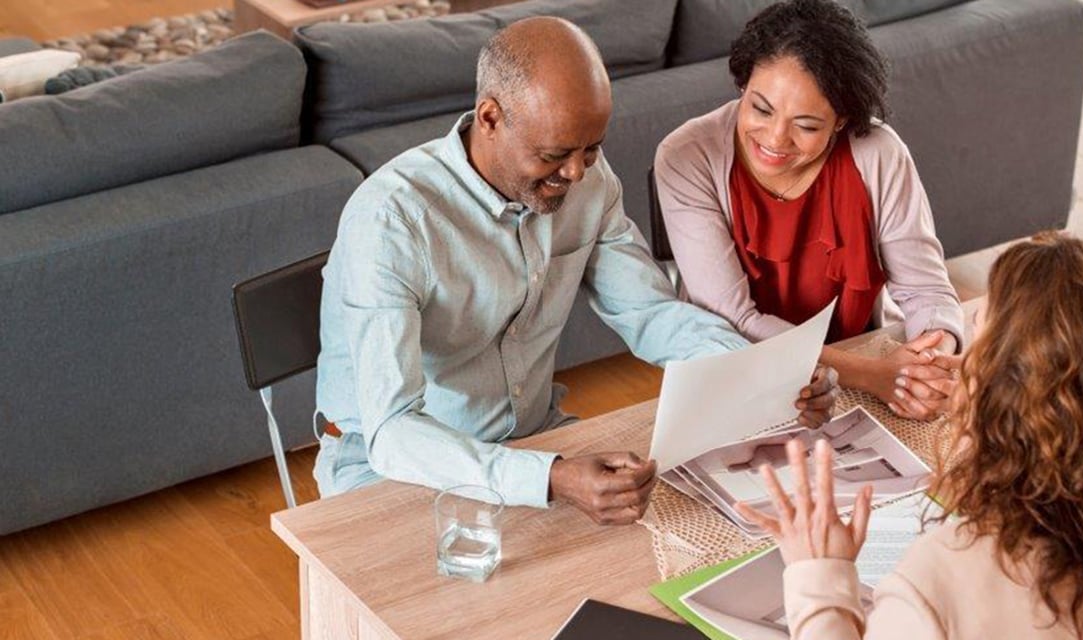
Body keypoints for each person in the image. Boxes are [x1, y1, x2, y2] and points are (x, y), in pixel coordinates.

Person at [311, 17, 839, 526]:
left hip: (536, 440)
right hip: (389, 470)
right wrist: (551, 479)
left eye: (592, 149)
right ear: (490, 117)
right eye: (554, 154)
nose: (575, 173)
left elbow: (649, 311)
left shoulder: (585, 178)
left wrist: (764, 372)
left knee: (684, 537)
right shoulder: (391, 221)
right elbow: (393, 430)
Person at [737, 232, 1083, 639]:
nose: (959, 366)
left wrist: (819, 576)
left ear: (1005, 396)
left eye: (979, 349)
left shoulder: (941, 576)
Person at [654, 0, 962, 421]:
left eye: (807, 125)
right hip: (741, 367)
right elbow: (735, 319)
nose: (775, 139)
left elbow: (926, 288)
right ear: (743, 83)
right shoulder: (687, 155)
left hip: (868, 355)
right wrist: (875, 376)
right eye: (761, 109)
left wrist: (932, 358)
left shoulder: (879, 154)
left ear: (841, 121)